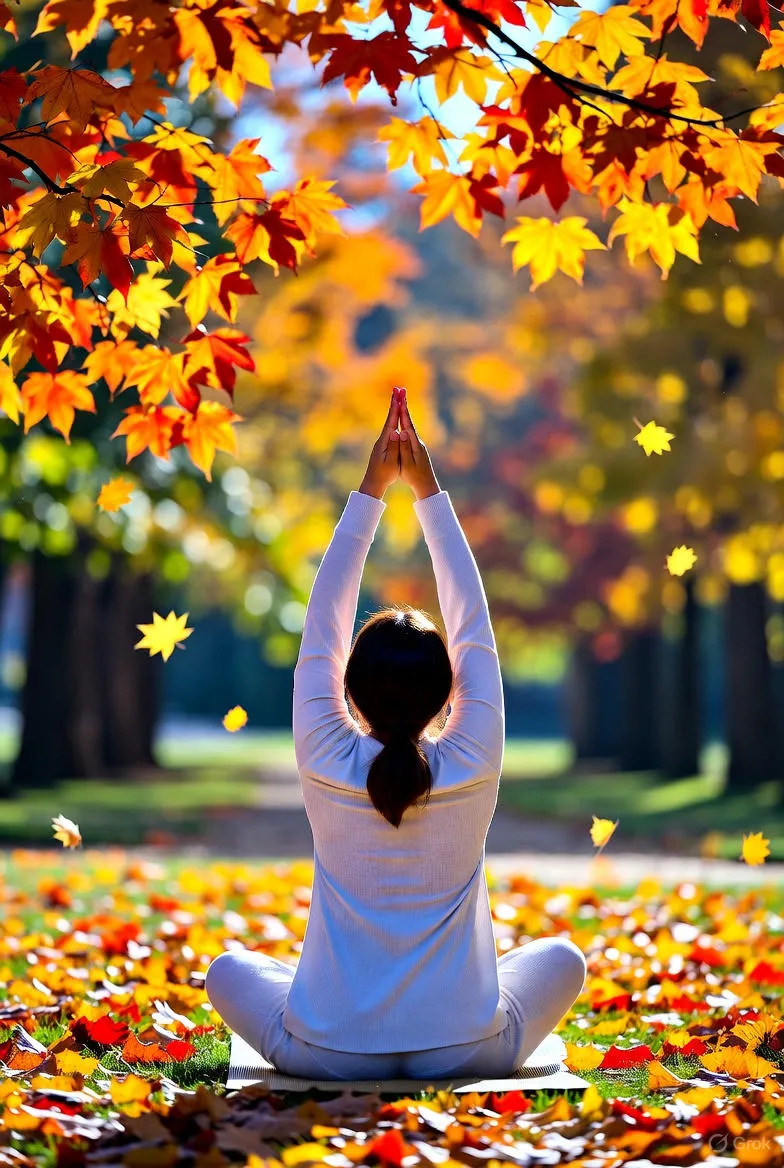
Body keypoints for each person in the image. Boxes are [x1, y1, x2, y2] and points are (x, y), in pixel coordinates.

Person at [206, 388, 586, 1080]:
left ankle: (354, 1016)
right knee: (564, 958)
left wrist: (372, 493)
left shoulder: (325, 753)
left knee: (229, 969)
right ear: (451, 690)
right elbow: (474, 628)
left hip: (328, 1050)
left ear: (346, 688)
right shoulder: (473, 756)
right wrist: (428, 495)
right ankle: (435, 1014)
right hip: (464, 1044)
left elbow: (322, 627)